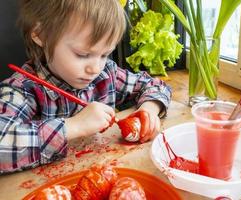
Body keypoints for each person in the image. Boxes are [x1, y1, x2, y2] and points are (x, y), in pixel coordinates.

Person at [0, 0, 171, 173]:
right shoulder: (23, 89)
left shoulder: (106, 74)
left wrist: (149, 110)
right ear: (40, 34)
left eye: (105, 54)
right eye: (82, 54)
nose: (95, 68)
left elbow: (154, 84)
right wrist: (74, 126)